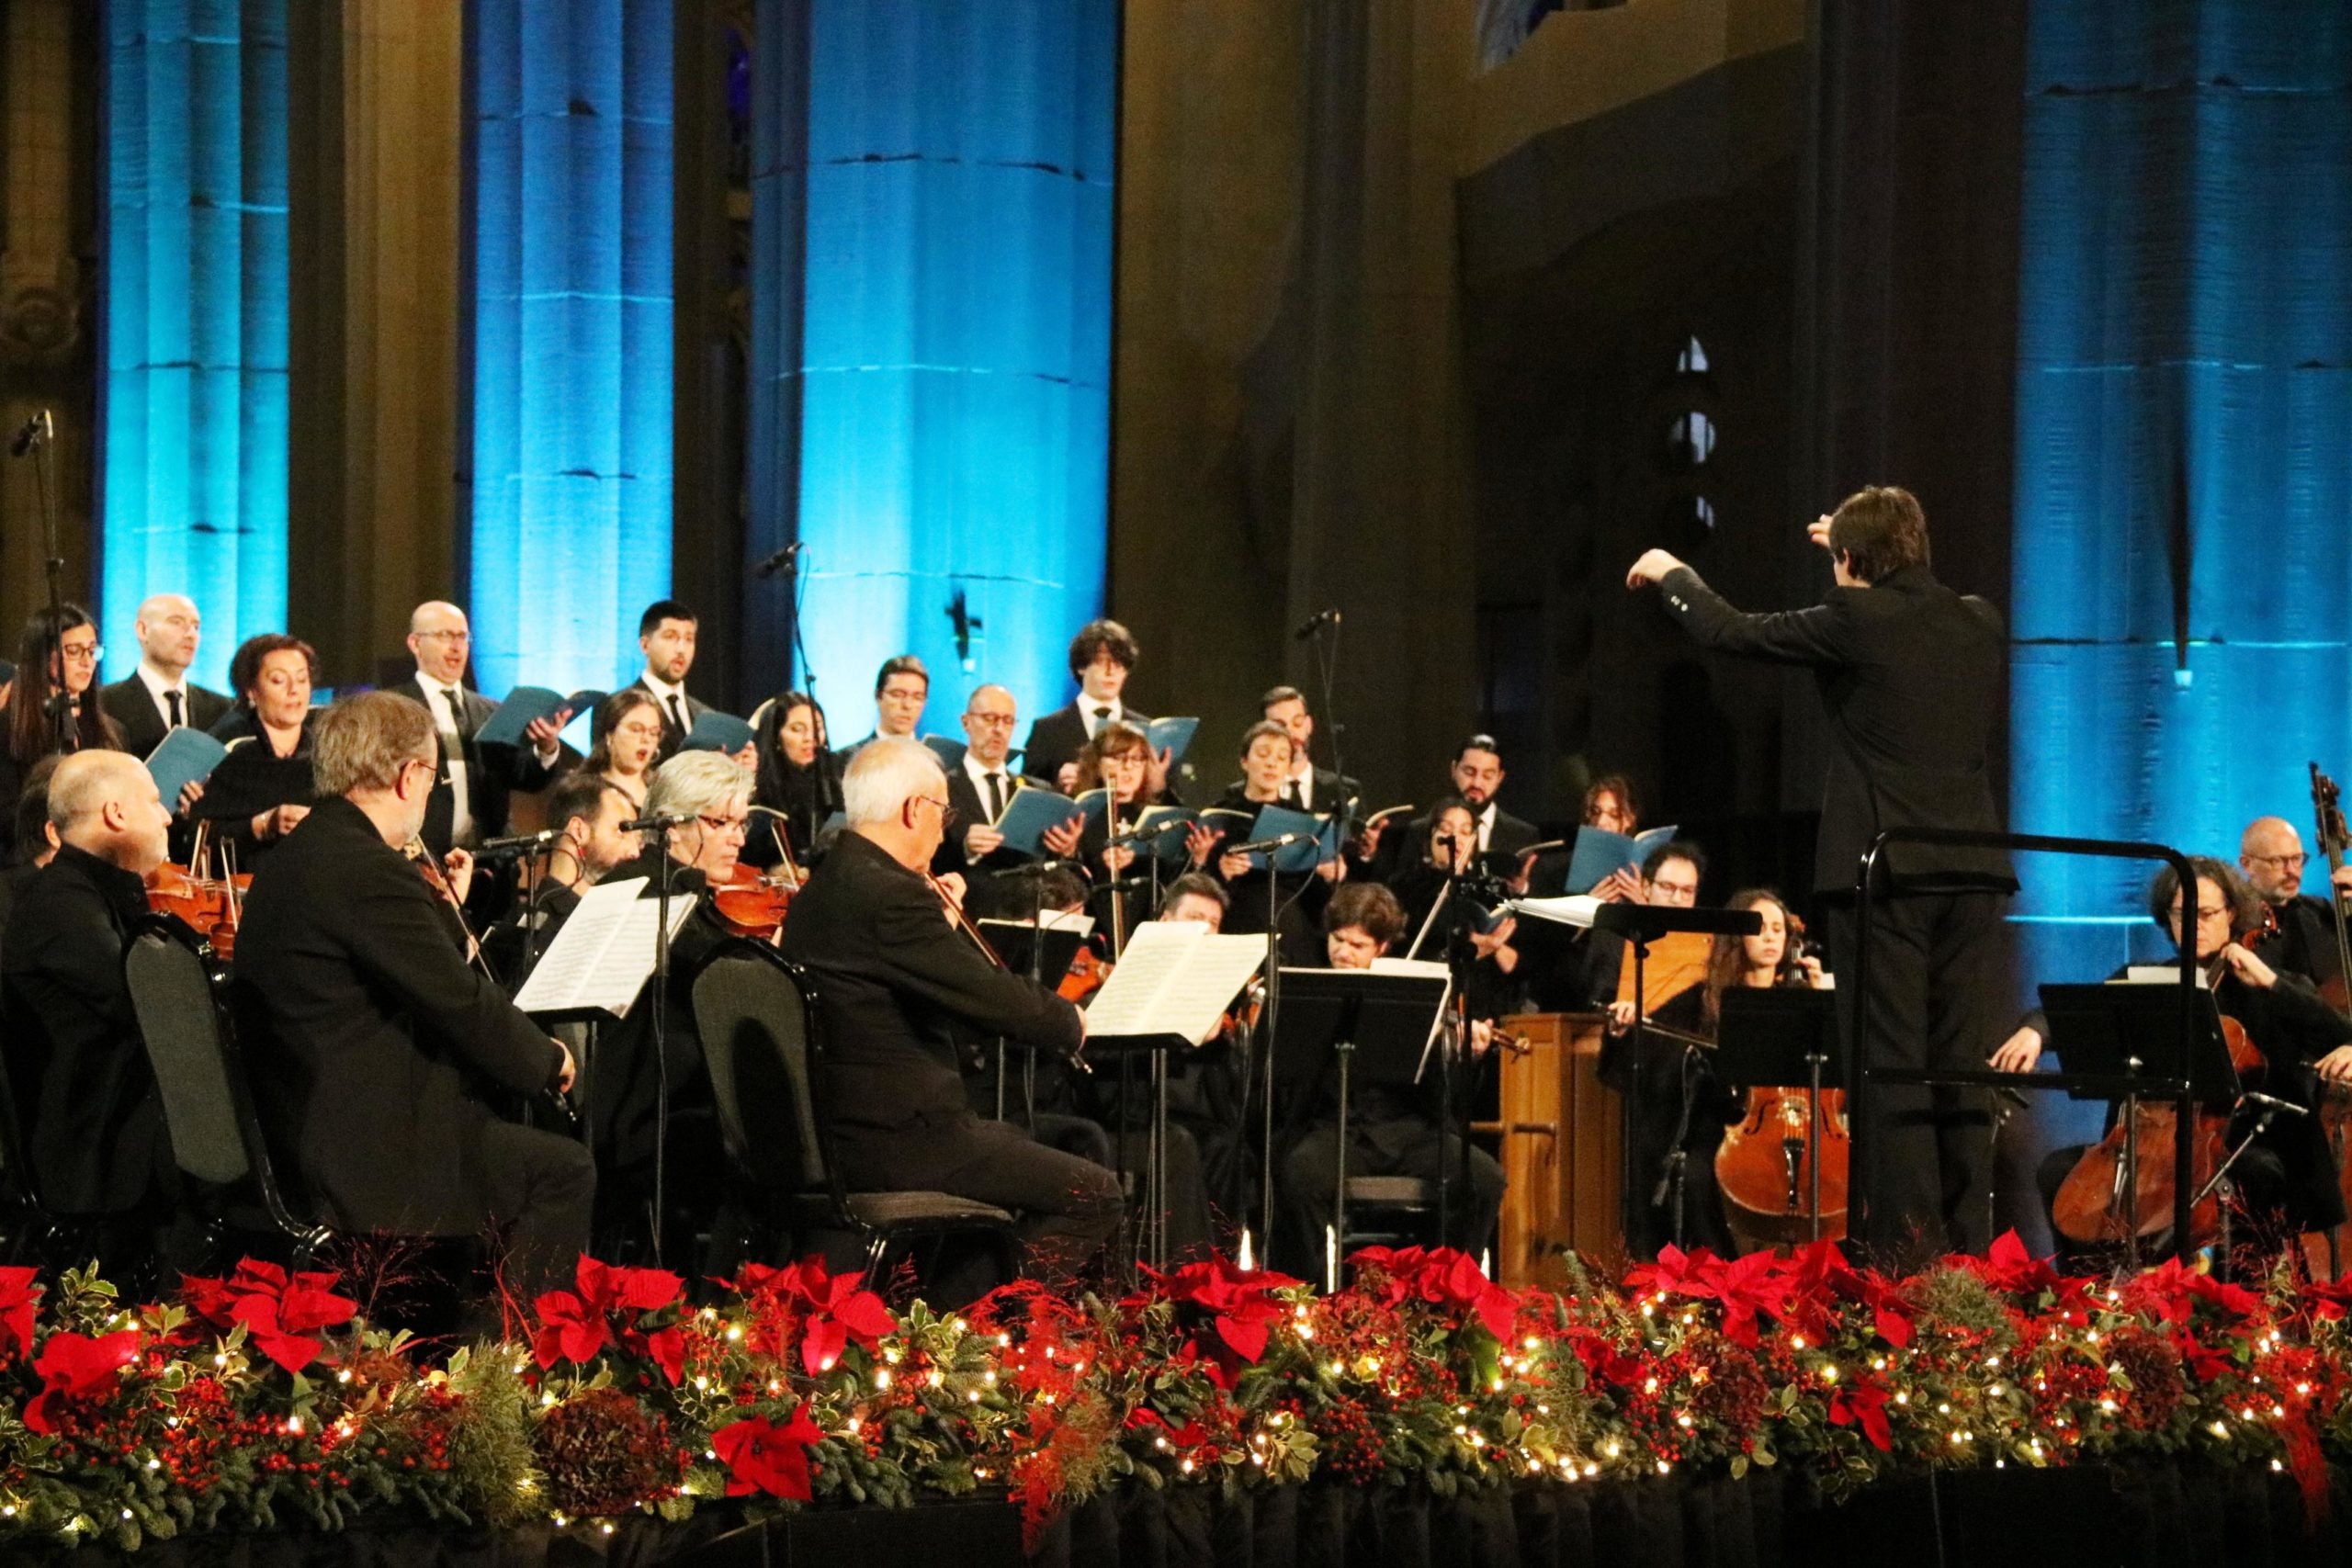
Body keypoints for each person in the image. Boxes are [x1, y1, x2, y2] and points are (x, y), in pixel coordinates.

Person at [1629, 484, 2016, 1259]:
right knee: (1957, 1063)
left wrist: (1671, 571)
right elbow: (1900, 616)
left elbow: (1728, 629)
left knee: (1891, 1068)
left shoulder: (1853, 619)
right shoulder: (1980, 620)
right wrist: (1854, 552)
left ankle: (1912, 1262)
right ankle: (1971, 1253)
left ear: (1849, 560)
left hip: (1888, 874)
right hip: (1972, 871)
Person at [231, 692, 591, 1300]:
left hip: (304, 1120)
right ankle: (503, 1368)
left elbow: (413, 973)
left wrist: (441, 912)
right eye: (433, 777)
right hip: (364, 1149)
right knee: (563, 1170)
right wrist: (548, 1061)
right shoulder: (369, 868)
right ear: (409, 775)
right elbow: (459, 1003)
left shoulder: (307, 852)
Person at [777, 737, 1122, 1289]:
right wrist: (1068, 1022)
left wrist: (940, 923)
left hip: (844, 1130)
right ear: (915, 809)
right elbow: (982, 993)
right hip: (899, 1139)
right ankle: (988, 1336)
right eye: (944, 812)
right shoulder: (892, 896)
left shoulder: (827, 885)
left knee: (1035, 1142)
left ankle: (955, 1324)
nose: (945, 830)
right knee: (1094, 1192)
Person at [1994, 859, 2352, 1266]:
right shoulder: (2147, 979)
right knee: (2058, 1171)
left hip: (2237, 1145)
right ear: (2168, 917)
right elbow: (2075, 1014)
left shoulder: (2267, 985)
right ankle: (2087, 1301)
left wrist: (2270, 983)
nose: (2196, 924)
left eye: (2208, 914)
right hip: (2148, 1148)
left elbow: (2337, 1032)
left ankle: (2245, 1305)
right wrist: (2034, 1032)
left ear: (2232, 914)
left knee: (2257, 1175)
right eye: (2184, 914)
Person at [0, 751, 179, 1277]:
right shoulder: (62, 902)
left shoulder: (88, 892)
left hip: (112, 1133)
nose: (167, 814)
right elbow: (151, 1006)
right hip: (92, 1151)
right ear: (116, 814)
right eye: (153, 800)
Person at [1274, 882, 1505, 1276]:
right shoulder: (1308, 992)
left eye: (1357, 945)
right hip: (1338, 1131)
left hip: (1409, 1131)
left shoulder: (1411, 993)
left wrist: (1461, 1055)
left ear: (1381, 948)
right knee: (1300, 1174)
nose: (1343, 952)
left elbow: (1443, 1095)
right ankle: (1309, 1296)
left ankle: (1450, 1289)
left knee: (1484, 1177)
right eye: (1338, 939)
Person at [1600, 887, 1826, 1258]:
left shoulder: (1798, 996)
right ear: (1736, 938)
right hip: (1720, 1134)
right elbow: (1653, 1059)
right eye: (1760, 928)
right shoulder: (1705, 1000)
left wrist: (1817, 1002)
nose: (1770, 936)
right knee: (1698, 1174)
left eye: (1778, 928)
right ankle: (1721, 1278)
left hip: (1790, 1129)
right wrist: (1623, 1032)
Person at [392, 602, 565, 860]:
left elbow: (524, 777)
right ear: (415, 643)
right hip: (423, 859)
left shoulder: (492, 710)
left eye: (462, 636)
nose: (456, 646)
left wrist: (546, 747)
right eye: (444, 635)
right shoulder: (393, 708)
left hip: (489, 862)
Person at [481, 770, 638, 987]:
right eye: (621, 831)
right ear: (578, 831)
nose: (634, 852)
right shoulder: (525, 927)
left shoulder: (621, 916)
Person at [1212, 720, 1344, 964]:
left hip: (1293, 924)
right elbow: (1204, 883)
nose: (1272, 763)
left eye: (1282, 757)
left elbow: (1313, 893)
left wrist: (1330, 875)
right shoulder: (1222, 815)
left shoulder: (1303, 818)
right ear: (1244, 761)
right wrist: (1221, 871)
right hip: (1241, 922)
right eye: (1263, 754)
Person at [1386, 797, 1526, 1020]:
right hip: (1430, 990)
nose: (1456, 838)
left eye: (1465, 831)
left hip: (1484, 1005)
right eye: (1446, 829)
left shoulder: (1487, 888)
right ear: (1431, 835)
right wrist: (1480, 941)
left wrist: (1497, 948)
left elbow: (1512, 961)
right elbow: (1420, 926)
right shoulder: (1406, 883)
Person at [0, 604, 120, 857]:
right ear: (43, 656)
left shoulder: (112, 731)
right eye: (73, 651)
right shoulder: (9, 729)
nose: (87, 662)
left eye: (92, 650)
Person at [196, 636, 321, 863]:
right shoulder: (227, 750)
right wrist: (261, 825)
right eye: (278, 680)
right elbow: (195, 839)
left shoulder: (328, 753)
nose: (294, 690)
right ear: (251, 690)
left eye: (302, 679)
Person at [1023, 619, 1165, 795]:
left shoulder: (1146, 730)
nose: (1110, 671)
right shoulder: (1047, 730)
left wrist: (1158, 783)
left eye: (1118, 663)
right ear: (1081, 667)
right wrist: (1058, 784)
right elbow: (1027, 794)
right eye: (1101, 661)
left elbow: (1166, 799)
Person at [99, 593, 231, 759]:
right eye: (176, 623)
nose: (190, 634)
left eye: (196, 627)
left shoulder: (221, 708)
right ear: (143, 630)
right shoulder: (105, 704)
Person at [2238, 816, 2352, 1002]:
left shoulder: (2322, 912)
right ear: (2247, 864)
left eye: (2297, 858)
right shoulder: (2231, 918)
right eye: (2277, 861)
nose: (2291, 870)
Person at [933, 684, 1037, 881]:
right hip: (966, 903)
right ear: (966, 722)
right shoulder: (940, 786)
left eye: (1008, 721)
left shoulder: (1033, 790)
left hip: (1024, 904)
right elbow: (925, 857)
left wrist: (1065, 848)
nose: (999, 729)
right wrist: (965, 848)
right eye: (989, 719)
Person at [749, 690, 841, 870]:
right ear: (776, 735)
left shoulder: (835, 781)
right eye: (797, 729)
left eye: (817, 728)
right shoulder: (758, 789)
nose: (809, 738)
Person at [605, 601, 708, 760]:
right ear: (645, 645)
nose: (681, 649)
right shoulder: (615, 707)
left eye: (689, 639)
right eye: (670, 637)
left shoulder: (705, 715)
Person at [1261, 685, 1356, 815]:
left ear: (1309, 725)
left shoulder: (1345, 791)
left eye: (1297, 723)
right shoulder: (1245, 794)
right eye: (1280, 726)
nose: (1291, 733)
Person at [582, 689, 665, 810]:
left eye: (653, 733)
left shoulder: (663, 794)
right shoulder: (584, 793)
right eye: (636, 730)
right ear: (610, 735)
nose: (646, 739)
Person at [838, 656, 931, 761]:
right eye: (897, 695)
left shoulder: (936, 763)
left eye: (917, 698)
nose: (907, 705)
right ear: (878, 696)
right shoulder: (845, 761)